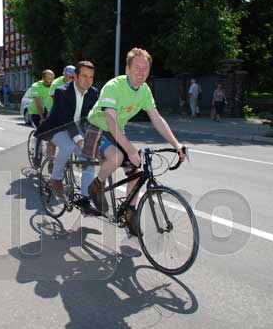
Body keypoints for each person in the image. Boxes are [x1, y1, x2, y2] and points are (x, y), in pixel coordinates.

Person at [85, 48, 186, 234]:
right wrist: (130, 150)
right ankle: (95, 186)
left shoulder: (144, 90)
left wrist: (176, 144)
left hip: (117, 131)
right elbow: (110, 120)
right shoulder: (114, 87)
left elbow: (156, 118)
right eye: (137, 67)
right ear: (127, 69)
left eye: (145, 68)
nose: (141, 72)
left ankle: (130, 214)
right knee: (117, 157)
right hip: (97, 127)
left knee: (137, 172)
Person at [35, 61, 99, 211]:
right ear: (75, 76)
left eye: (91, 77)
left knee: (90, 159)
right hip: (57, 128)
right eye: (84, 76)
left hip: (77, 129)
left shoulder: (93, 93)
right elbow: (66, 121)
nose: (87, 80)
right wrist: (80, 141)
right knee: (68, 146)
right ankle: (56, 179)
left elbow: (94, 117)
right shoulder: (62, 92)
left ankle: (85, 199)